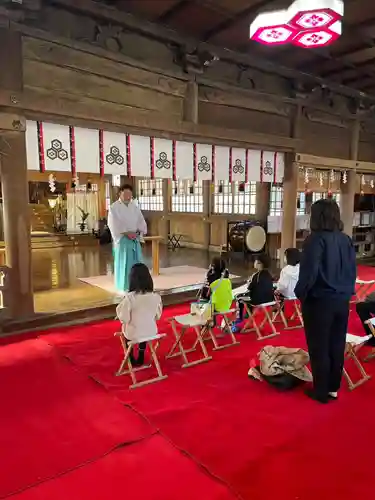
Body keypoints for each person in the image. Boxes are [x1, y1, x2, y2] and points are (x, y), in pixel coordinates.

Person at [295, 199, 357, 404]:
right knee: (336, 344)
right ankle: (333, 388)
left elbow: (309, 272)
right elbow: (351, 270)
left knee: (319, 346)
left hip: (320, 300)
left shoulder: (315, 239)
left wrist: (301, 293)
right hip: (342, 299)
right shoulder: (345, 239)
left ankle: (320, 391)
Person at [116, 263, 162, 367]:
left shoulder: (130, 298)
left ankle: (130, 356)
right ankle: (141, 353)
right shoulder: (156, 297)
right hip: (151, 332)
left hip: (133, 334)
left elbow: (124, 318)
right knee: (143, 325)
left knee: (127, 329)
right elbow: (157, 316)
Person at [108, 184, 147, 291]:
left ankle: (137, 284)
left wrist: (139, 231)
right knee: (124, 263)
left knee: (137, 262)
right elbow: (113, 223)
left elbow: (141, 220)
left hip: (134, 238)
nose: (128, 196)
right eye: (125, 193)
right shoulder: (114, 207)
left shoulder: (134, 207)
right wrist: (126, 233)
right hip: (123, 239)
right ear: (120, 193)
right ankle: (124, 285)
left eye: (130, 193)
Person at [232, 253, 274, 333]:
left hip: (257, 301)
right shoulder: (269, 274)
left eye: (256, 261)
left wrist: (249, 282)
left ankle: (240, 318)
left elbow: (249, 288)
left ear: (259, 263)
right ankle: (250, 313)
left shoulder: (256, 275)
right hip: (269, 299)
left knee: (239, 298)